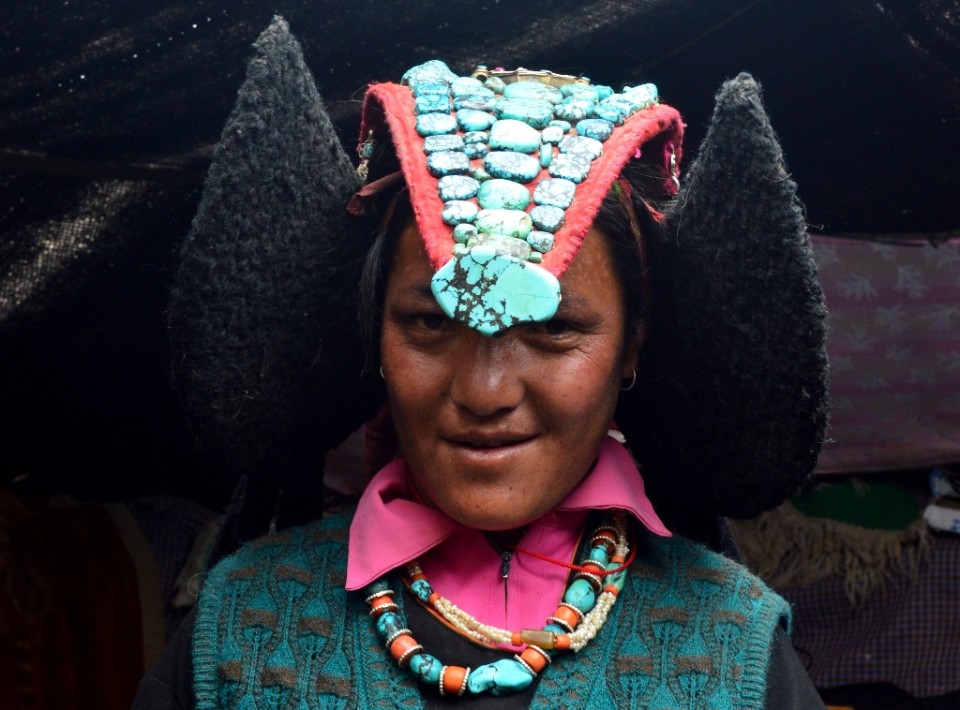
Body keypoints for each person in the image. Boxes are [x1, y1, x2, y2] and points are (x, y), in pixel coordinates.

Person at [134, 17, 828, 709]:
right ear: (373, 332)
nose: (486, 391)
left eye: (555, 329)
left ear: (631, 345)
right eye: (432, 323)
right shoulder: (236, 638)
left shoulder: (737, 651)